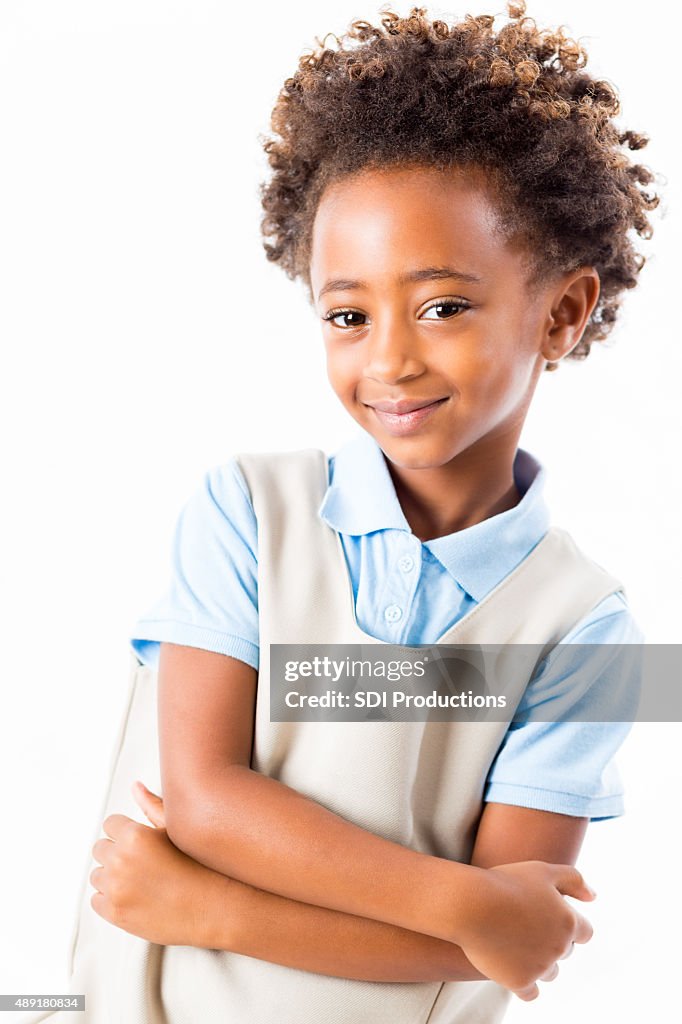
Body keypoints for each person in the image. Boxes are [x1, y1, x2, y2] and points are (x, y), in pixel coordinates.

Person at [27, 4, 658, 1023]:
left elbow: (503, 949)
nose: (389, 360)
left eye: (443, 305)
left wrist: (204, 906)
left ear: (562, 311)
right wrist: (466, 905)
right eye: (347, 315)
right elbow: (208, 801)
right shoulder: (246, 512)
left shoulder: (589, 632)